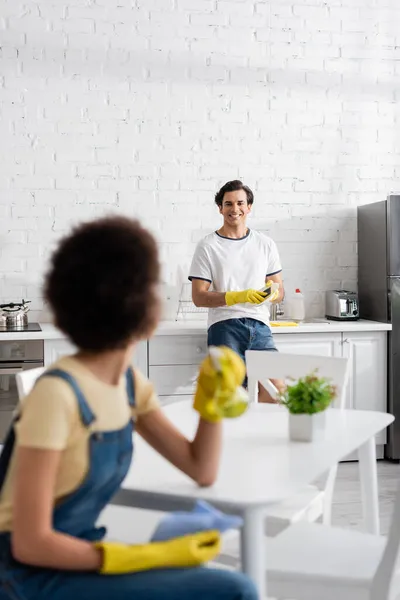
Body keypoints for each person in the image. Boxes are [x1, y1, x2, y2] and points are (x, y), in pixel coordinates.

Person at [0, 216, 258, 600]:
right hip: (28, 579)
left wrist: (211, 402)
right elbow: (30, 543)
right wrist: (139, 556)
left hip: (81, 555)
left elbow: (200, 468)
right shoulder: (57, 395)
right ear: (137, 305)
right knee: (234, 589)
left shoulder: (129, 385)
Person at [189, 179, 284, 403]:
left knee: (276, 390)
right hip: (224, 326)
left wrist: (271, 292)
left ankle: (259, 438)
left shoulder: (265, 244)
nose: (235, 209)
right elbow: (198, 297)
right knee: (229, 395)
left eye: (240, 203)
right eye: (228, 204)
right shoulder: (208, 246)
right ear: (220, 208)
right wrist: (236, 296)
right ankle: (229, 438)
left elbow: (280, 292)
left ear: (249, 207)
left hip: (260, 326)